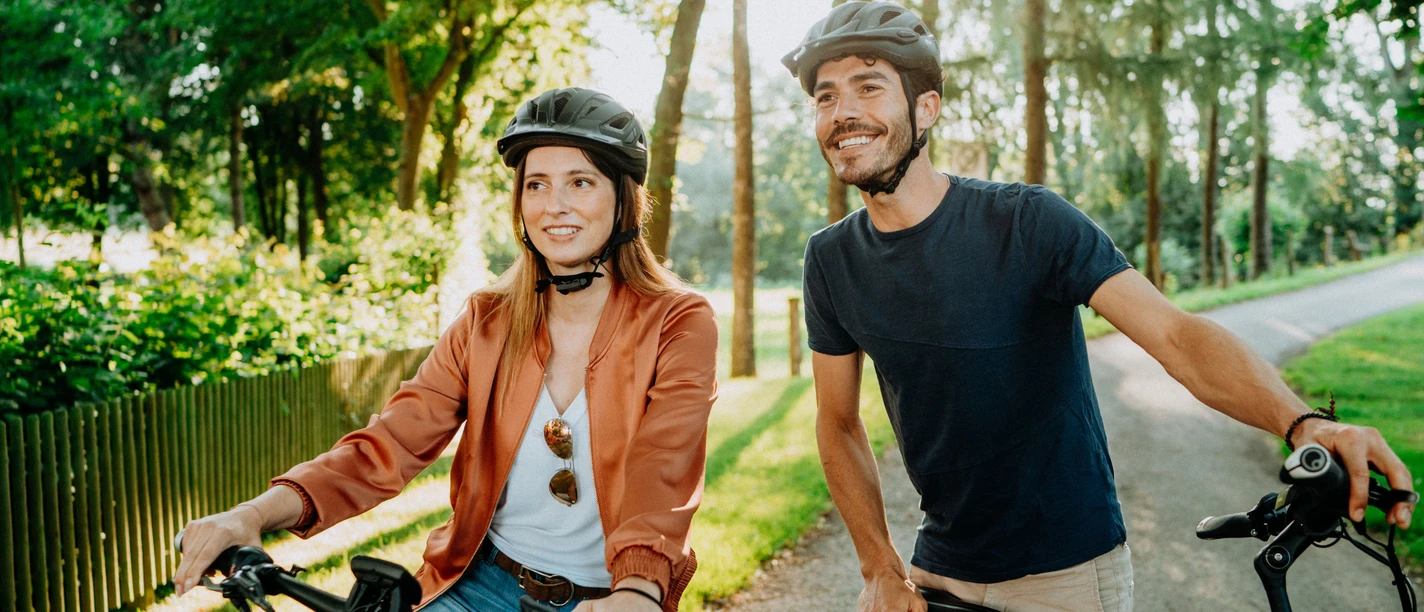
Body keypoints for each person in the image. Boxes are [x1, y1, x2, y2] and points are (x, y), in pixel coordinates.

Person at [780, 3, 1417, 611]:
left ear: (927, 108)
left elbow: (1176, 336)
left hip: (1067, 579)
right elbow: (837, 422)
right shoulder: (831, 261)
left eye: (868, 87)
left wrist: (1305, 424)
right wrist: (878, 566)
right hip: (937, 571)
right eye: (826, 97)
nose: (843, 112)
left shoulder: (1029, 224)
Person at [171, 87, 719, 612]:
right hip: (477, 585)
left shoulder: (678, 321)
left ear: (623, 199)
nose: (555, 206)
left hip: (610, 600)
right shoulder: (487, 321)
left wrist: (639, 589)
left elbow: (663, 467)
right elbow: (389, 443)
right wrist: (253, 513)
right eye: (537, 185)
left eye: (580, 182)